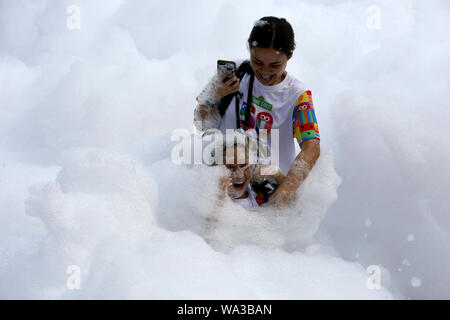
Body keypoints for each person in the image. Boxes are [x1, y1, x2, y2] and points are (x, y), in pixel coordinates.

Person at [194, 16, 320, 207]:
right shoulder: (235, 72)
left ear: (290, 55)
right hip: (220, 188)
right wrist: (215, 95)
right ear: (249, 50)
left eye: (275, 65)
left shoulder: (297, 95)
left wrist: (284, 193)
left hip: (265, 195)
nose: (265, 72)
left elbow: (312, 147)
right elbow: (200, 122)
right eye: (257, 61)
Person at [217, 131, 285, 209]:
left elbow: (291, 201)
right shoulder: (218, 202)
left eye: (243, 165)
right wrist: (221, 196)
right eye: (231, 167)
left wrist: (277, 174)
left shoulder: (256, 187)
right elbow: (212, 220)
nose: (240, 175)